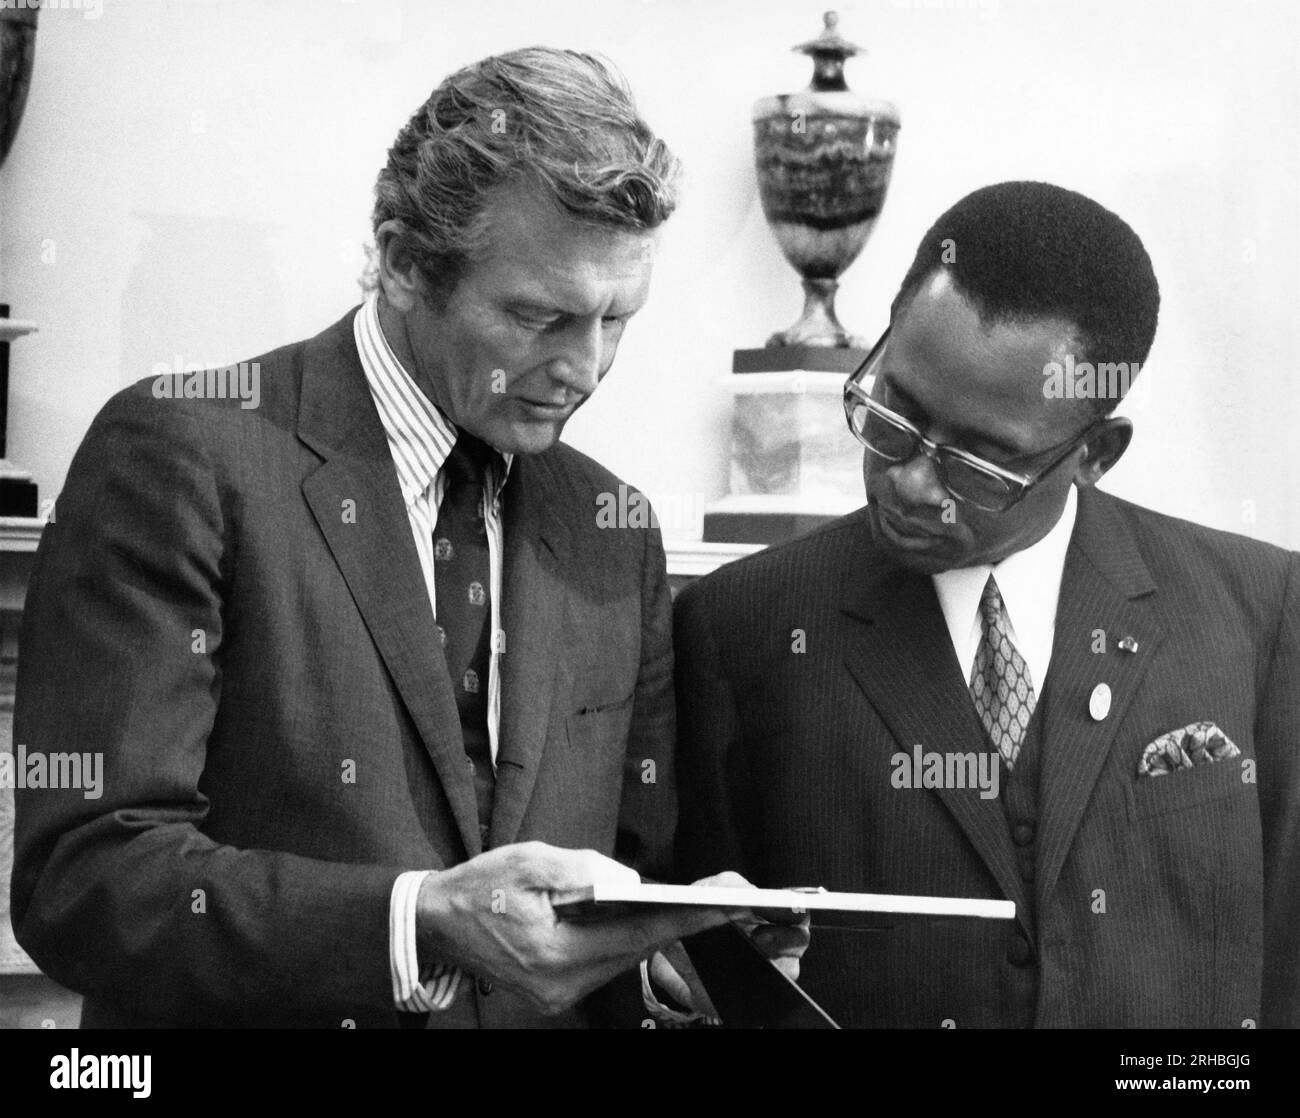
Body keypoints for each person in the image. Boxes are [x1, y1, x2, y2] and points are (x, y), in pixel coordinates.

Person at [11, 47, 767, 1029]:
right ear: (405, 260)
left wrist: (677, 950)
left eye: (617, 318)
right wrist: (417, 922)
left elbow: (626, 877)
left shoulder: (611, 529)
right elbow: (85, 878)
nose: (585, 367)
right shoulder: (183, 455)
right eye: (539, 315)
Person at [673, 181, 1300, 1028]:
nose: (911, 483)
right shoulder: (737, 629)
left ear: (1095, 455)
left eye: (982, 465)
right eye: (893, 413)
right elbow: (709, 966)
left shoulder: (1262, 612)